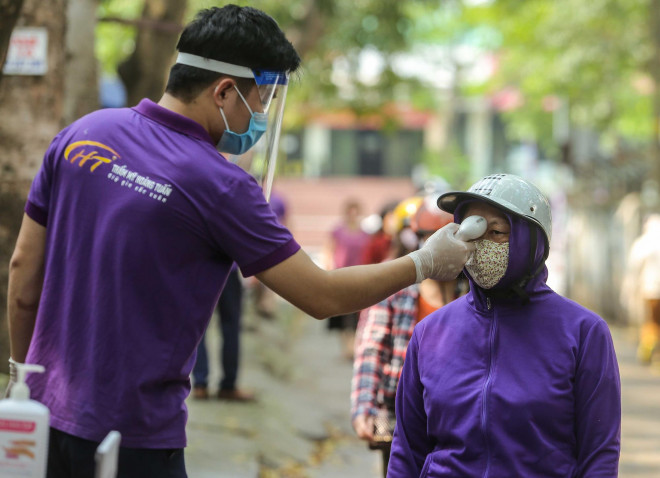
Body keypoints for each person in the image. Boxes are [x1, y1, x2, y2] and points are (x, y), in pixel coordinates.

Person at [6, 5, 474, 476]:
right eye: (263, 98)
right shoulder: (221, 185)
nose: (262, 117)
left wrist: (23, 381)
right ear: (225, 90)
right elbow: (322, 295)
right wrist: (424, 262)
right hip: (133, 440)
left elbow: (24, 271)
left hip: (40, 421)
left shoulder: (82, 133)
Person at [388, 173, 621, 477]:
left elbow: (599, 456)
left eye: (496, 231)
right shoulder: (430, 333)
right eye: (472, 232)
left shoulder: (583, 332)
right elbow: (407, 450)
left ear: (530, 240)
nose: (481, 245)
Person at [351, 195, 466, 477]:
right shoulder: (394, 293)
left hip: (456, 414)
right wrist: (364, 405)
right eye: (431, 239)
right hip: (396, 410)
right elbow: (371, 348)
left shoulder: (474, 299)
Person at [191, 264, 255, 402]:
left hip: (199, 268)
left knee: (199, 328)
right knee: (231, 328)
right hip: (228, 269)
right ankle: (228, 386)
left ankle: (200, 385)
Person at [325, 198, 371, 359]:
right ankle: (346, 346)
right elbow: (329, 250)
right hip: (340, 274)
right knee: (341, 312)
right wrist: (328, 271)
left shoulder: (365, 234)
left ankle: (353, 345)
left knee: (355, 313)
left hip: (358, 275)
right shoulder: (337, 231)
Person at [621, 214, 660, 364]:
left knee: (651, 321)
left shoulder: (644, 242)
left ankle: (647, 350)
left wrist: (628, 290)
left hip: (650, 290)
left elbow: (633, 268)